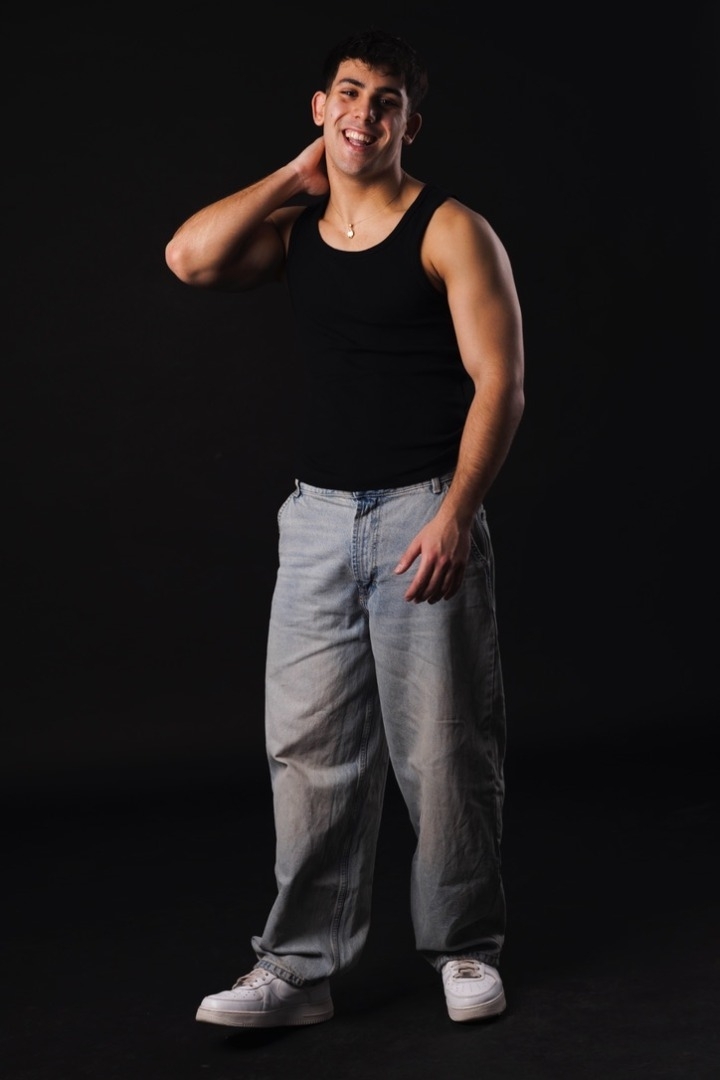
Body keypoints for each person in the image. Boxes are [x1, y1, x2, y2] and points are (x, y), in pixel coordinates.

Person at [165, 27, 525, 1028]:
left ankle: (464, 947)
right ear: (322, 107)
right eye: (350, 95)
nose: (366, 115)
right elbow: (188, 257)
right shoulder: (297, 232)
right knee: (309, 750)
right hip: (316, 520)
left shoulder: (452, 230)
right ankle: (298, 971)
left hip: (422, 511)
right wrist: (295, 174)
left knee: (444, 749)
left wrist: (456, 514)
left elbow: (501, 382)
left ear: (411, 122)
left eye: (387, 101)